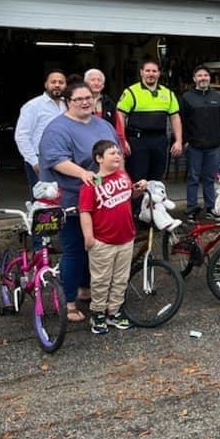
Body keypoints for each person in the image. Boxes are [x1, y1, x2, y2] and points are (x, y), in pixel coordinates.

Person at [38, 82, 118, 322]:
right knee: (74, 250)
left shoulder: (103, 125)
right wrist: (83, 173)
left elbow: (116, 156)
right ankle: (69, 301)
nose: (85, 102)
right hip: (70, 201)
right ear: (67, 102)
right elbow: (56, 160)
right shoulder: (57, 129)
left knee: (92, 248)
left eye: (89, 98)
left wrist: (123, 181)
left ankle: (85, 289)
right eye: (78, 99)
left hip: (101, 199)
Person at [78, 140, 147, 334]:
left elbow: (129, 195)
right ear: (99, 159)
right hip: (103, 241)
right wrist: (89, 237)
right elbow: (85, 211)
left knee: (120, 279)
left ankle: (114, 311)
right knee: (101, 280)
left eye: (118, 153)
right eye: (111, 153)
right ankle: (98, 313)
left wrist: (138, 190)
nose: (117, 156)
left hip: (126, 238)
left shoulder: (123, 175)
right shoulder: (90, 184)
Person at [117, 58, 182, 212]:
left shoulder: (168, 94)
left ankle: (153, 215)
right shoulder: (131, 92)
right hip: (138, 142)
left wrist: (178, 140)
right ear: (141, 73)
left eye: (154, 71)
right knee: (139, 179)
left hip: (159, 141)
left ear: (159, 73)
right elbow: (120, 116)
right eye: (147, 71)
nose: (151, 74)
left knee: (156, 180)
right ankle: (137, 214)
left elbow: (175, 117)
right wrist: (123, 140)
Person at [180, 65, 220, 220]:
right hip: (194, 145)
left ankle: (210, 207)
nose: (203, 78)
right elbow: (181, 121)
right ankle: (191, 209)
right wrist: (184, 141)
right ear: (194, 79)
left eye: (206, 75)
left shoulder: (216, 96)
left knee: (209, 178)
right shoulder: (187, 97)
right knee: (193, 178)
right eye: (199, 75)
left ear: (209, 78)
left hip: (213, 145)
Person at [14, 70, 67, 197]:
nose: (57, 85)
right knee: (42, 203)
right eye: (53, 82)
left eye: (61, 82)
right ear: (46, 85)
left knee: (61, 199)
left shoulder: (68, 105)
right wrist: (34, 162)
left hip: (64, 159)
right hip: (40, 160)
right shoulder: (33, 106)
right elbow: (21, 136)